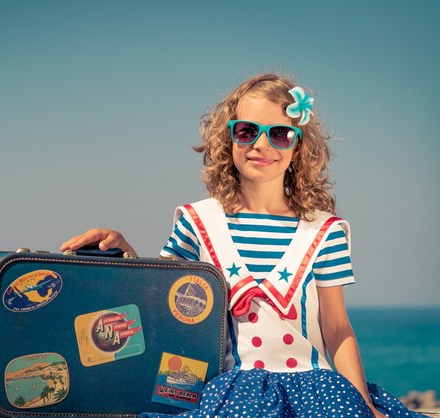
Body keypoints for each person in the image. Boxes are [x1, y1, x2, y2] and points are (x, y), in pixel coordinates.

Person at [60, 73, 423, 417]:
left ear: (297, 147)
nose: (261, 144)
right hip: (236, 389)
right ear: (228, 139)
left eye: (280, 134)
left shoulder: (324, 231)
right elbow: (163, 302)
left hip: (319, 389)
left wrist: (361, 402)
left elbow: (337, 327)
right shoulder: (198, 222)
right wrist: (124, 252)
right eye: (247, 131)